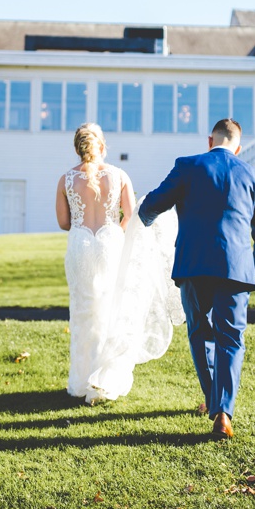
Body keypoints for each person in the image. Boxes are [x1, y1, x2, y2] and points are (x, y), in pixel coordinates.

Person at [139, 118, 255, 440]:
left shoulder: (187, 166)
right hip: (237, 267)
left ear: (209, 140)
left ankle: (214, 402)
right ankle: (223, 411)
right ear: (238, 147)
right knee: (231, 338)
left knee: (199, 332)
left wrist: (140, 220)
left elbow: (155, 203)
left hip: (193, 264)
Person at [53, 123, 182, 404]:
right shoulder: (119, 175)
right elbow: (131, 215)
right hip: (111, 242)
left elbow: (64, 222)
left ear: (77, 147)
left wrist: (82, 225)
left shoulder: (65, 180)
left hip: (80, 245)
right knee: (111, 307)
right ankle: (105, 379)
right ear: (102, 145)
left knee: (84, 311)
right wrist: (113, 230)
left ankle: (81, 380)